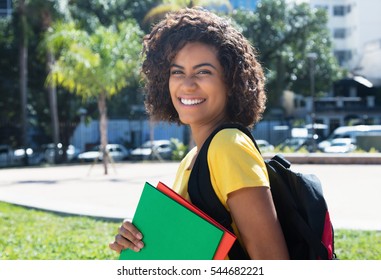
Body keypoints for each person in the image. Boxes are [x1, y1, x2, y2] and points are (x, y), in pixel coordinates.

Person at [109, 7, 289, 260]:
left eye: (203, 71)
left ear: (231, 82)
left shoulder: (229, 147)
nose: (188, 84)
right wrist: (140, 240)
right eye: (177, 72)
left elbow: (274, 263)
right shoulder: (193, 157)